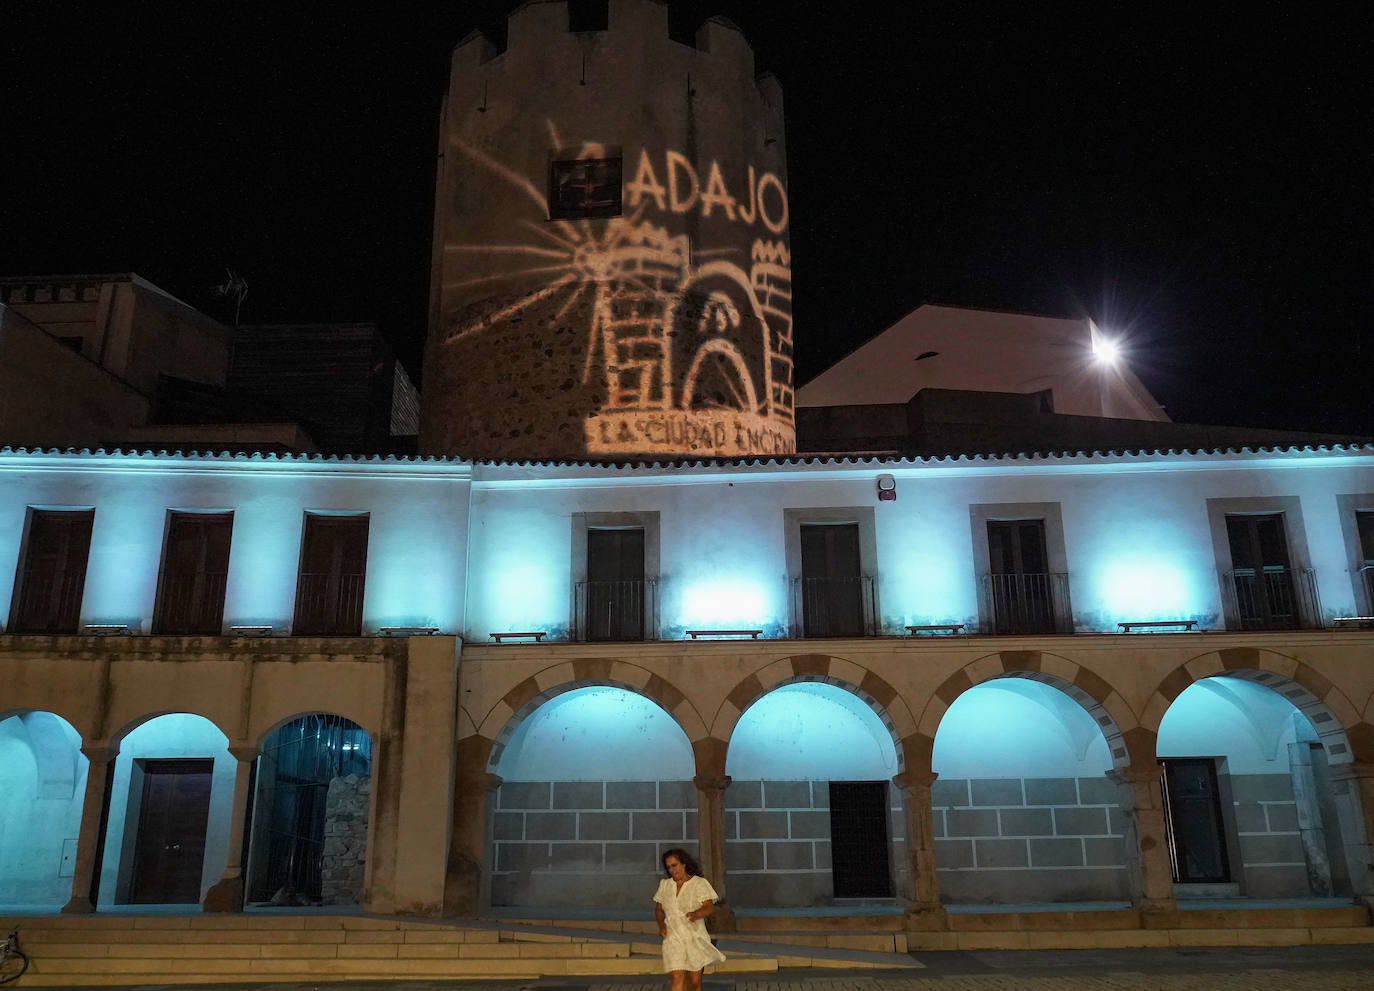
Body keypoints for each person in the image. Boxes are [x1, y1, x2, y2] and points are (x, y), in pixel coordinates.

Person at [653, 848, 725, 990]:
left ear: (683, 864)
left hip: (695, 936)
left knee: (694, 980)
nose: (672, 870)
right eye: (669, 867)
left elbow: (709, 907)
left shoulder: (699, 883)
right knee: (676, 976)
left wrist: (696, 914)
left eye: (675, 865)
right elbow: (659, 910)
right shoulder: (665, 885)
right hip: (673, 936)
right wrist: (661, 926)